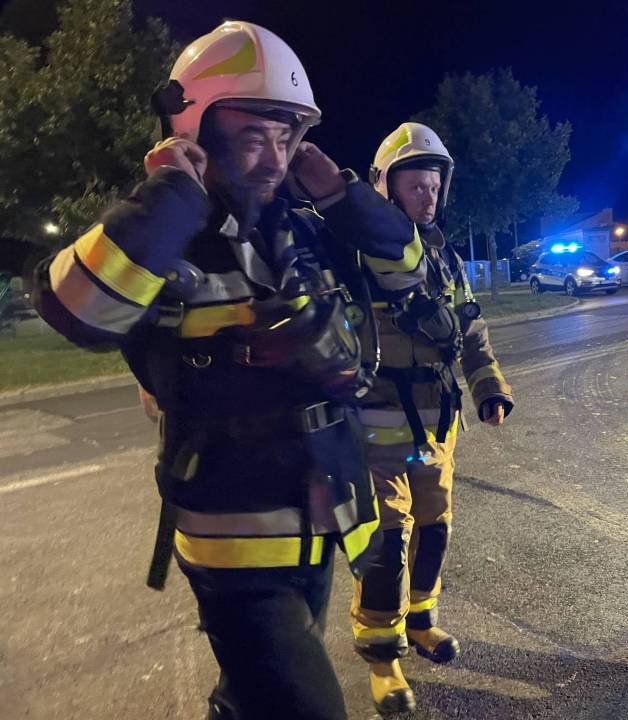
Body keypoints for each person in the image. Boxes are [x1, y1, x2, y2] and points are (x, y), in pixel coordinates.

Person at [32, 21, 427, 720]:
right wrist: (173, 193)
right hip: (233, 541)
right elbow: (76, 310)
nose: (274, 158)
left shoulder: (303, 228)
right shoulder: (164, 234)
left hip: (322, 518)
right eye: (252, 136)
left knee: (249, 696)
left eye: (286, 137)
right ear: (195, 130)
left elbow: (408, 270)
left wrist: (338, 193)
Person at [350, 122, 514, 714]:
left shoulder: (445, 257)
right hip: (377, 425)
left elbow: (471, 329)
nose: (428, 196)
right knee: (386, 536)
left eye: (434, 186)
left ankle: (420, 620)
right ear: (386, 188)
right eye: (415, 185)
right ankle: (382, 653)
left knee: (434, 525)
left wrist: (489, 387)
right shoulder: (361, 256)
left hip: (436, 426)